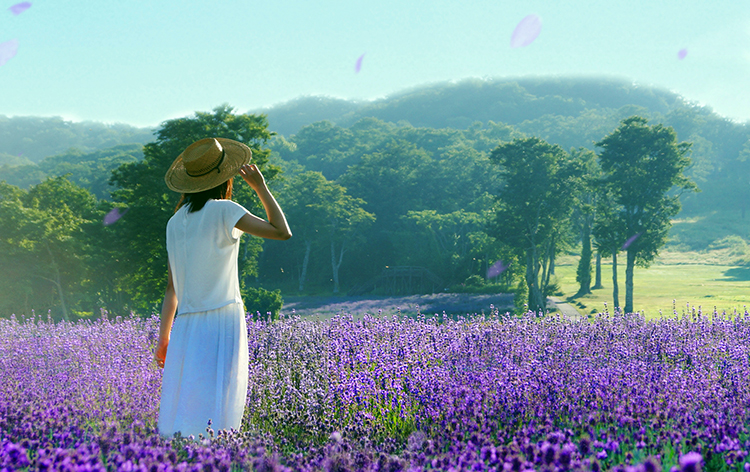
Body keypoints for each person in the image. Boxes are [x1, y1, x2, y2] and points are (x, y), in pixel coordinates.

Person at [155, 137, 291, 438]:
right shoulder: (225, 210)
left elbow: (171, 289)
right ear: (223, 177)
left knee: (188, 402)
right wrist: (260, 187)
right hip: (222, 319)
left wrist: (163, 337)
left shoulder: (174, 222)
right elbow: (282, 232)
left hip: (186, 325)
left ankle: (182, 458)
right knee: (220, 400)